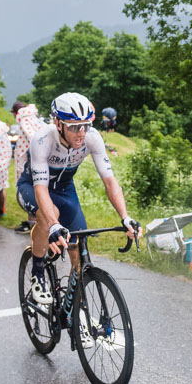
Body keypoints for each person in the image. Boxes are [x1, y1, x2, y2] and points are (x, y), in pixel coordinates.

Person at [20, 93, 140, 306]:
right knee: (49, 218)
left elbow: (110, 182)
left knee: (78, 246)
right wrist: (54, 225)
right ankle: (38, 271)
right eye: (75, 127)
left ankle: (76, 305)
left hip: (65, 189)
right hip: (33, 186)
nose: (81, 132)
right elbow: (41, 189)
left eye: (86, 125)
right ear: (58, 123)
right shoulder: (42, 139)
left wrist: (125, 217)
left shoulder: (92, 137)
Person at [12, 101, 45, 233]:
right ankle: (34, 221)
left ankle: (34, 223)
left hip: (30, 164)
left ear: (16, 113)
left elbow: (34, 138)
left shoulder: (25, 121)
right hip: (36, 162)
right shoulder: (34, 118)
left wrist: (31, 158)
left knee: (29, 191)